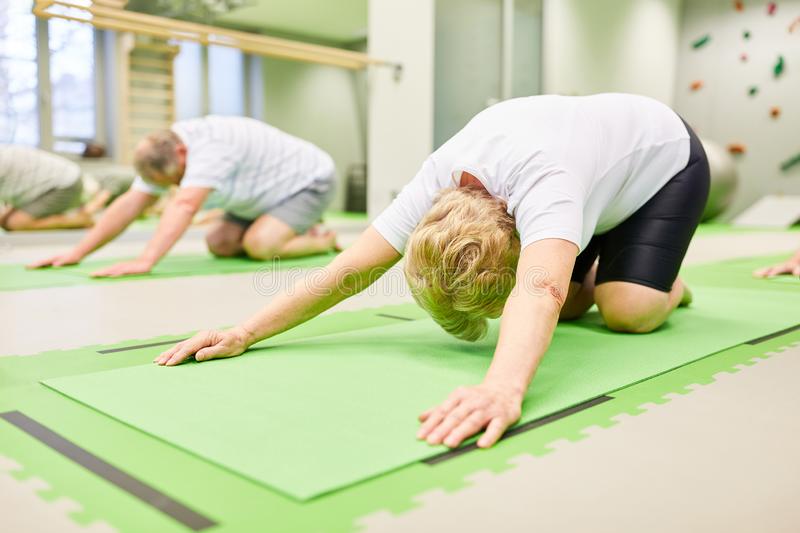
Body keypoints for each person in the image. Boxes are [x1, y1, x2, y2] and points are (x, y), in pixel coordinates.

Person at [153, 94, 709, 450]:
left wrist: (500, 388)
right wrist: (244, 331)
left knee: (626, 312)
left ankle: (665, 286)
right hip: (591, 184)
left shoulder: (548, 186)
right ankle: (619, 267)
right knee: (563, 311)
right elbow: (349, 270)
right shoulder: (433, 185)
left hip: (661, 163)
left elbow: (537, 285)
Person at [28, 116, 338, 275]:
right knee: (220, 244)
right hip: (257, 195)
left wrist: (146, 260)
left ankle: (321, 238)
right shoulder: (167, 150)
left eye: (176, 180)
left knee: (260, 245)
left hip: (307, 182)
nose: (176, 186)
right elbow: (131, 203)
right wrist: (78, 253)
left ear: (180, 153)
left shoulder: (213, 147)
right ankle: (285, 227)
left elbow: (186, 205)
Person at [0, 145, 108, 231]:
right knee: (4, 222)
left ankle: (80, 219)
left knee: (15, 223)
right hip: (36, 189)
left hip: (64, 183)